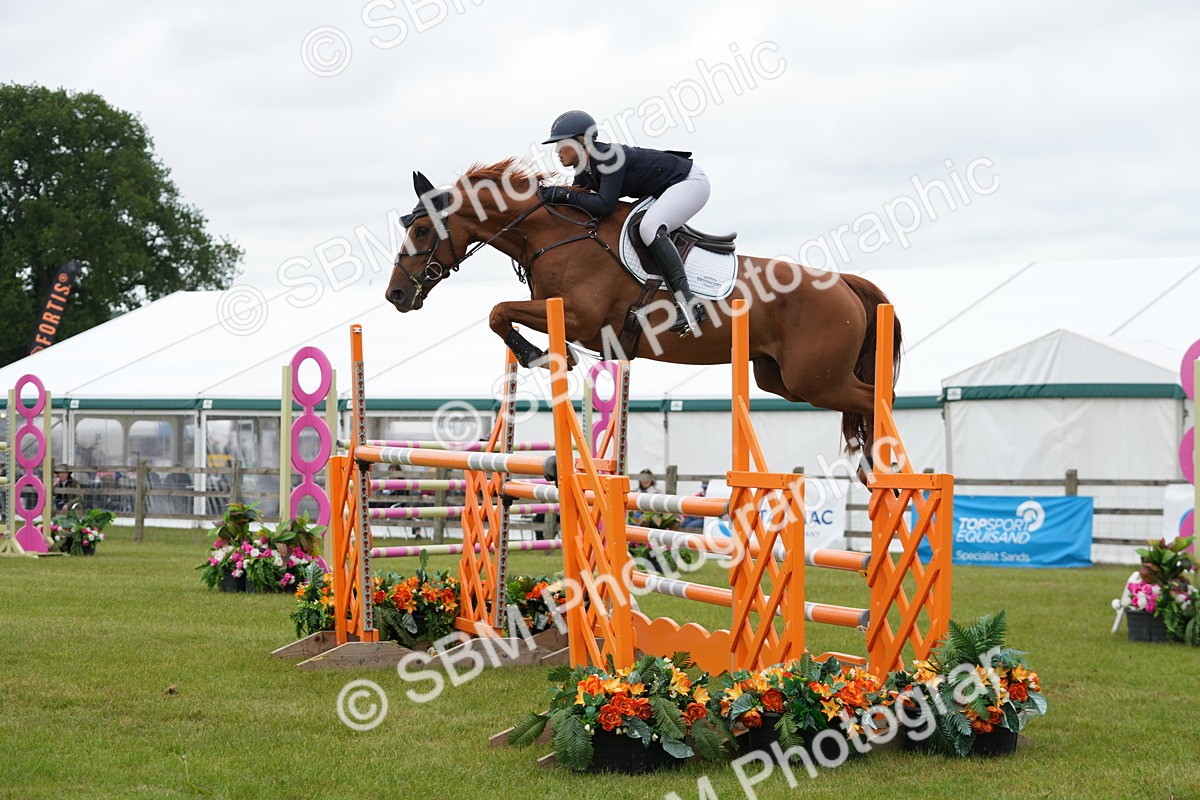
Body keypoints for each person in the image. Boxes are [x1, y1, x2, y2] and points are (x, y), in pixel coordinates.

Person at [540, 109, 710, 336]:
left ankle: (689, 304)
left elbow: (605, 205)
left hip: (689, 183)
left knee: (649, 228)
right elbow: (578, 199)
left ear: (581, 142)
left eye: (561, 144)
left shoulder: (608, 156)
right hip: (664, 190)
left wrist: (563, 195)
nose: (557, 151)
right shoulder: (585, 167)